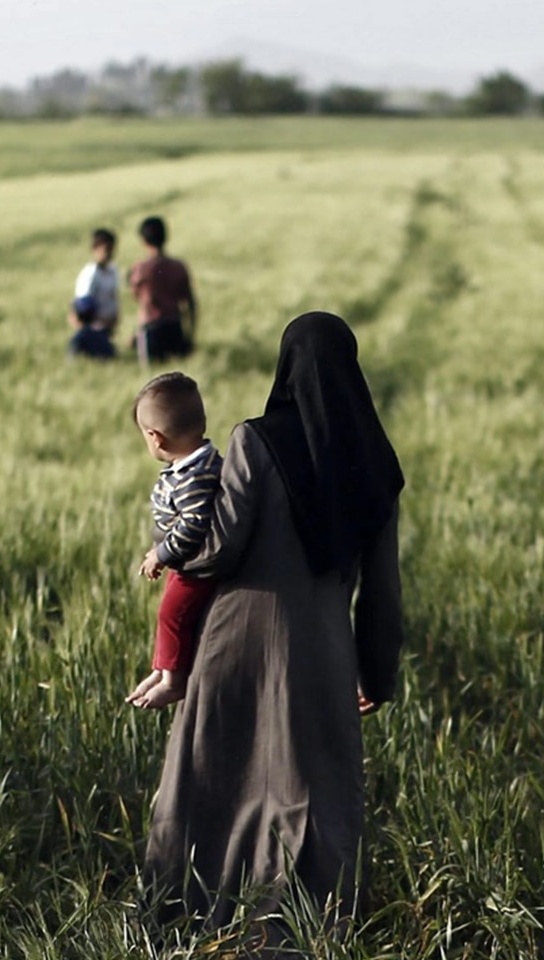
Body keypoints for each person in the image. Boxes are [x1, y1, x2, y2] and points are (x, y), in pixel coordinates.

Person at [143, 311, 407, 941]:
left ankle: (188, 912)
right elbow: (383, 588)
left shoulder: (256, 440)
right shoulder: (378, 465)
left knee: (214, 770)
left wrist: (168, 546)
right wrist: (376, 671)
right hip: (322, 644)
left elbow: (224, 545)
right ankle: (302, 924)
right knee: (310, 781)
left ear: (286, 367)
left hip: (237, 633)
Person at [125, 373, 224, 710]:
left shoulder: (195, 477)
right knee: (169, 612)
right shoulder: (195, 464)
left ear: (156, 438)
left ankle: (173, 680)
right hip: (185, 563)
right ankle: (163, 668)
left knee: (172, 613)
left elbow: (193, 525)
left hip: (195, 566)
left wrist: (162, 554)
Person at [127, 216, 197, 364]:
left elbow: (135, 296)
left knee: (151, 382)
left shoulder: (140, 269)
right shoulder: (179, 266)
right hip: (175, 326)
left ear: (143, 241)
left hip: (151, 328)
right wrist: (190, 335)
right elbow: (190, 303)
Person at [69, 229, 120, 359]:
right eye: (106, 249)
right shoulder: (90, 275)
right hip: (92, 330)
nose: (110, 253)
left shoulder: (113, 271)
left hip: (106, 328)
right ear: (95, 249)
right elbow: (83, 306)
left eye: (111, 248)